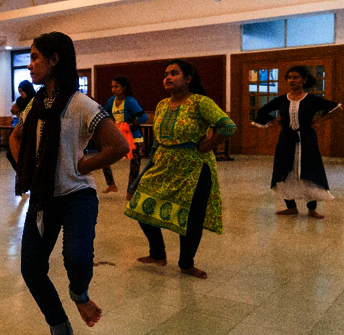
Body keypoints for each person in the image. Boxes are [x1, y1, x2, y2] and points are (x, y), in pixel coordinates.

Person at [10, 32, 130, 335]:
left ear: (54, 60)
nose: (30, 65)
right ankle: (62, 333)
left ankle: (80, 295)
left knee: (76, 257)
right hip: (43, 198)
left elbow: (118, 145)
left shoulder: (80, 104)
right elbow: (16, 137)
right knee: (31, 268)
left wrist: (85, 165)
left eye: (35, 57)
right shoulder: (35, 103)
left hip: (77, 195)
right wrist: (26, 169)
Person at [125, 60, 236, 280]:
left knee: (191, 219)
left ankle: (186, 263)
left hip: (193, 170)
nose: (167, 77)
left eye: (174, 73)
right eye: (165, 74)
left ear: (188, 78)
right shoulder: (162, 105)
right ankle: (157, 253)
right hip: (163, 165)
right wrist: (140, 177)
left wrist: (207, 145)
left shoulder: (200, 103)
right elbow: (157, 143)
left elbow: (228, 126)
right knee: (139, 206)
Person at [253, 66, 341, 219]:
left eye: (296, 77)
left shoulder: (312, 99)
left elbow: (336, 108)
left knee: (309, 172)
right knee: (285, 171)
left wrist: (320, 122)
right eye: (290, 77)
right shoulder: (282, 99)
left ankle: (312, 209)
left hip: (307, 140)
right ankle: (291, 207)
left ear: (304, 79)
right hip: (286, 139)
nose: (292, 80)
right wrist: (274, 122)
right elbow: (262, 111)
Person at [101, 76, 148, 200]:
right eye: (112, 87)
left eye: (116, 86)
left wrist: (131, 124)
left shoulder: (131, 101)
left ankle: (131, 191)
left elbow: (144, 117)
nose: (113, 89)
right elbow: (105, 113)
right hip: (118, 137)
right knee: (104, 158)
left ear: (124, 88)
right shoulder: (111, 101)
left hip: (134, 137)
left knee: (135, 166)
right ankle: (111, 184)